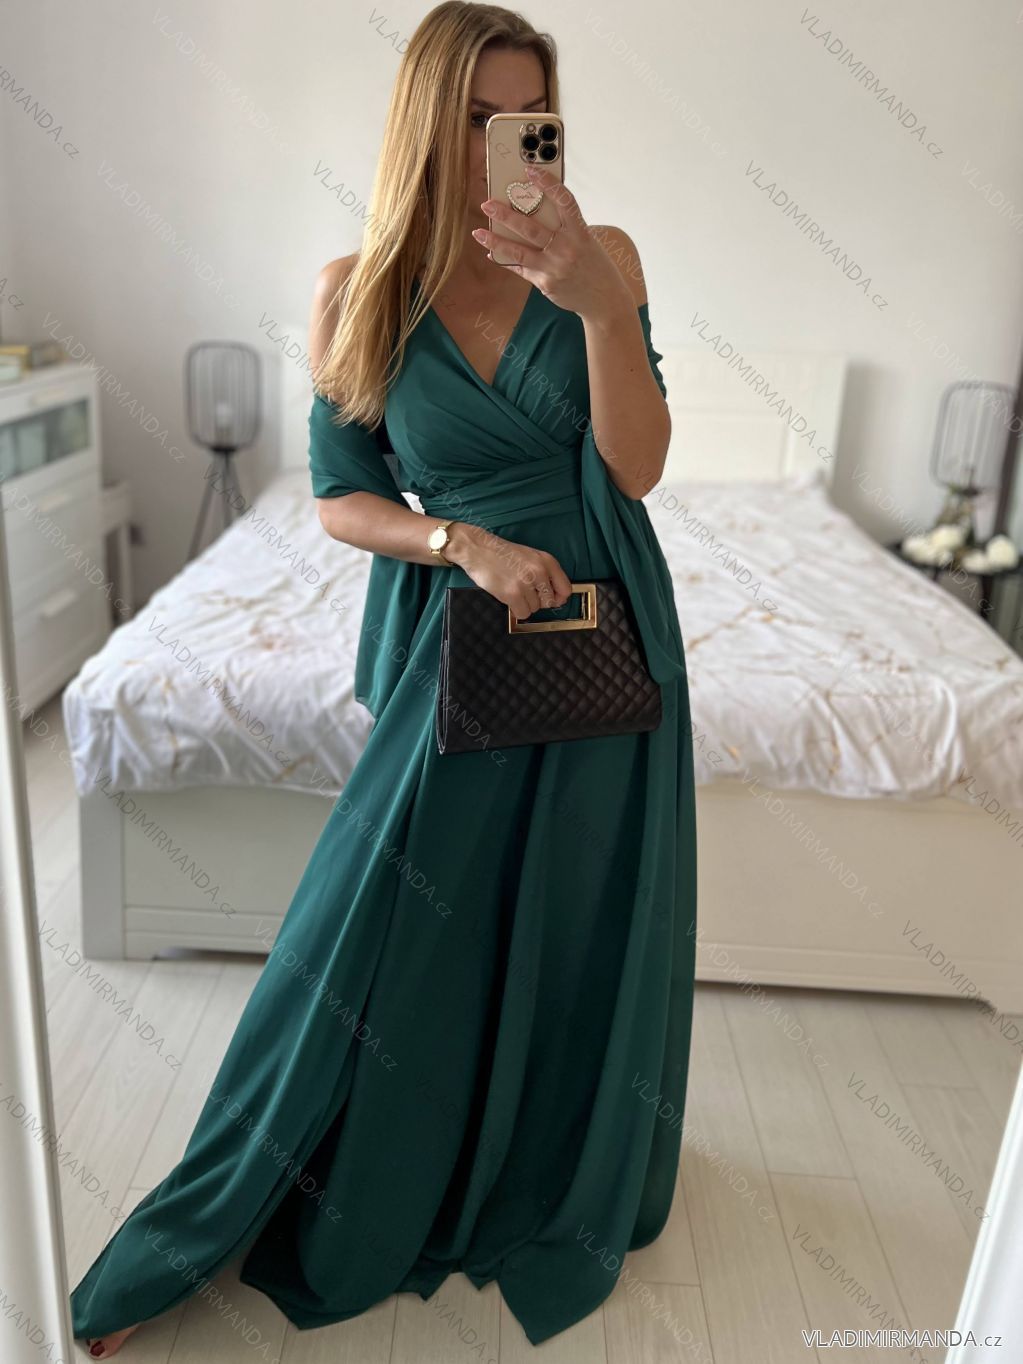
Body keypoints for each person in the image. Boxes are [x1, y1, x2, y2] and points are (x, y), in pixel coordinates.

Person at [71, 2, 697, 1356]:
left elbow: (637, 468)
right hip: (457, 623)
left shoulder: (607, 260)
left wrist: (597, 305)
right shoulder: (357, 288)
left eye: (530, 118)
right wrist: (459, 542)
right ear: (426, 122)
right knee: (367, 926)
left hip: (601, 617)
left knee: (582, 914)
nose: (507, 143)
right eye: (479, 118)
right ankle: (227, 1212)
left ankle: (544, 1164)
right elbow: (342, 497)